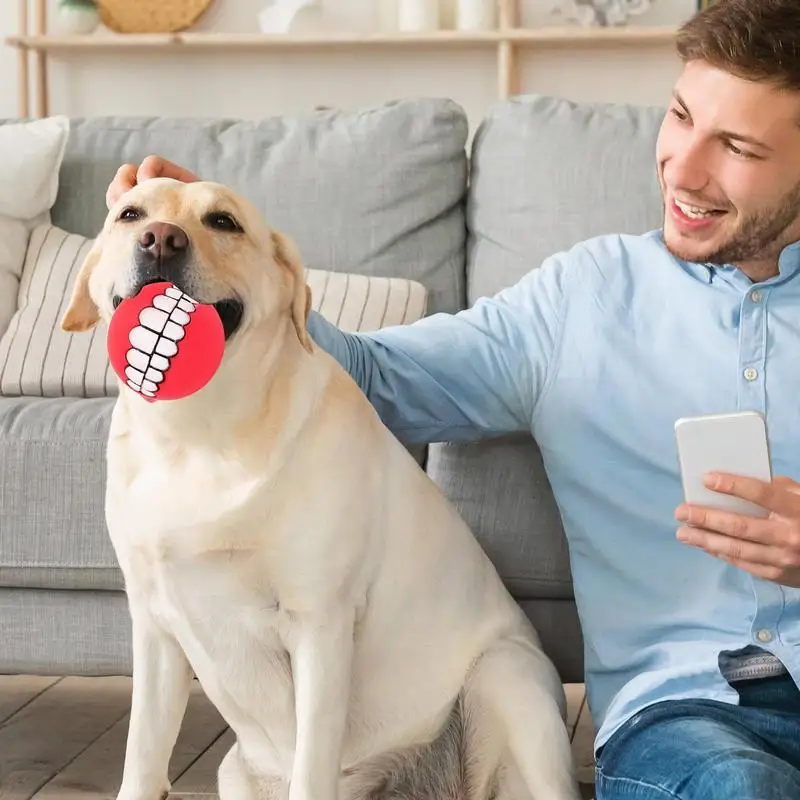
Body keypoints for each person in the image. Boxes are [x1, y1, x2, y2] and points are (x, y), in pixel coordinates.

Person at [106, 1, 800, 796]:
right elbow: (374, 379)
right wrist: (227, 257)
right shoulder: (583, 299)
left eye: (737, 148)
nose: (683, 168)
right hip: (688, 713)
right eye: (679, 117)